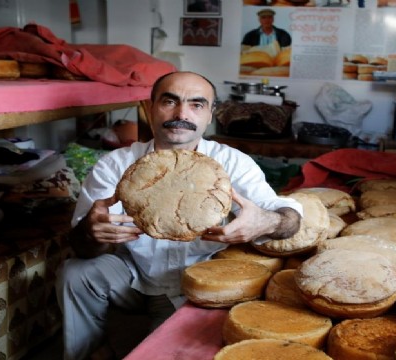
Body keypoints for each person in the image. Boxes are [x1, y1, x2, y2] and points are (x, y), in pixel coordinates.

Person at [56, 71, 303, 360]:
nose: (181, 113)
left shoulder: (231, 163)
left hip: (196, 283)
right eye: (170, 101)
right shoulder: (116, 165)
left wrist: (265, 221)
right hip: (132, 276)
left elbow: (290, 218)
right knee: (75, 273)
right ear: (150, 109)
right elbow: (81, 246)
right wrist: (91, 231)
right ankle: (84, 355)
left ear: (210, 115)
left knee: (164, 353)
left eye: (196, 104)